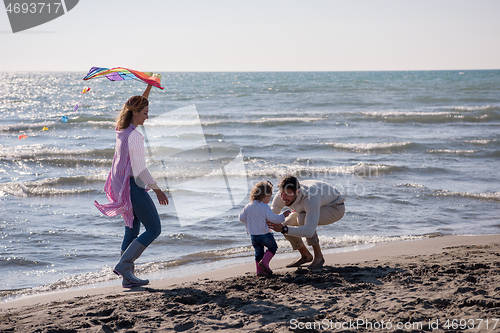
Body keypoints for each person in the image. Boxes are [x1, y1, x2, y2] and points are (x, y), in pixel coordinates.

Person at [95, 84, 169, 288]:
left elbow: (131, 106)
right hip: (133, 187)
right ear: (135, 113)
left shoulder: (122, 129)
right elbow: (141, 170)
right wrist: (158, 189)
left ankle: (128, 277)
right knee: (154, 228)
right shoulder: (135, 136)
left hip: (122, 186)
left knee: (132, 230)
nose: (147, 117)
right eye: (145, 113)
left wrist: (148, 88)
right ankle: (125, 265)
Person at [267, 175, 345, 271]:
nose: (283, 197)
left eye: (287, 194)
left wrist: (284, 229)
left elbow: (309, 231)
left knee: (302, 219)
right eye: (281, 193)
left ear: (297, 192)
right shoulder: (281, 195)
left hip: (335, 207)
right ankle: (306, 255)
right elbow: (271, 216)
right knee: (287, 222)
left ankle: (319, 257)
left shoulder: (310, 197)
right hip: (313, 206)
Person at [239, 181, 291, 276]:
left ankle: (259, 271)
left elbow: (241, 218)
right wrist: (283, 215)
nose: (269, 200)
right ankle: (265, 262)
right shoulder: (264, 206)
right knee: (273, 247)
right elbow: (273, 219)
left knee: (258, 253)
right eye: (269, 197)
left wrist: (250, 217)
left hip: (253, 236)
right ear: (265, 195)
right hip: (264, 234)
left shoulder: (247, 206)